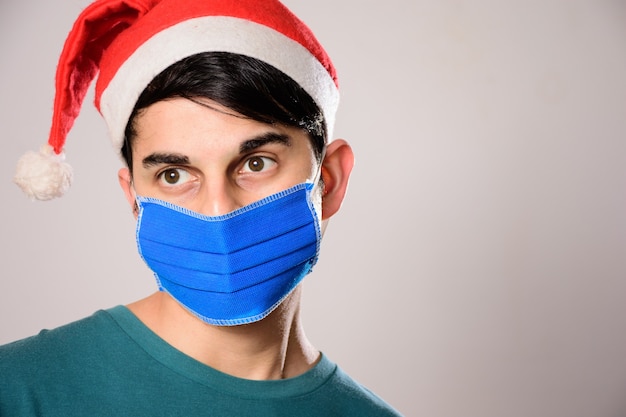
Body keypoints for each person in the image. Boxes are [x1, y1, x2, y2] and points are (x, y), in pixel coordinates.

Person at [1, 0, 403, 416]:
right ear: (134, 200)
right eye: (174, 174)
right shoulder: (16, 390)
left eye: (256, 163)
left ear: (330, 181)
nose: (217, 210)